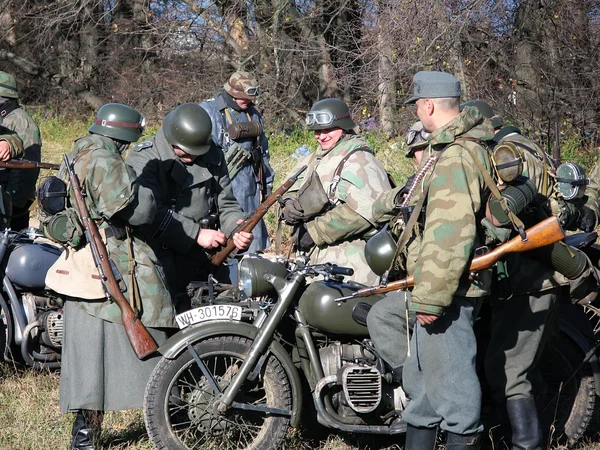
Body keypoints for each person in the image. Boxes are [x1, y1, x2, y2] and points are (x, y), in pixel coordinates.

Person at [463, 99, 599, 449]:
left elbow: (512, 216)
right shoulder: (520, 149)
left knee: (508, 372)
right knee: (502, 367)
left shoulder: (510, 154)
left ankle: (526, 443)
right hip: (521, 279)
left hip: (529, 280)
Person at [382, 71, 496, 449]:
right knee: (425, 395)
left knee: (456, 398)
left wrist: (430, 298)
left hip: (447, 292)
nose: (417, 111)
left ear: (428, 105)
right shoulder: (449, 150)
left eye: (416, 105)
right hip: (438, 286)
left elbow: (449, 233)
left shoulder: (455, 156)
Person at [56, 103, 173, 450]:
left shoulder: (79, 152)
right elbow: (136, 211)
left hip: (86, 268)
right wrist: (150, 194)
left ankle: (86, 436)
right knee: (154, 327)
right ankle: (171, 411)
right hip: (111, 266)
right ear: (124, 134)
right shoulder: (105, 159)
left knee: (90, 360)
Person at [127, 102, 253, 298]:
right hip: (158, 261)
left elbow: (226, 203)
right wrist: (196, 234)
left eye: (198, 151)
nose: (193, 156)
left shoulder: (213, 155)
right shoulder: (145, 159)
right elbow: (147, 213)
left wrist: (236, 229)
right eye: (187, 151)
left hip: (208, 260)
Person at [280, 98, 392, 286]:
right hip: (317, 263)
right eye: (317, 131)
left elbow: (367, 210)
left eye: (327, 130)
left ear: (344, 126)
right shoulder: (317, 157)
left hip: (350, 267)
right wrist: (289, 204)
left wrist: (315, 231)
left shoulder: (359, 159)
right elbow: (289, 187)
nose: (321, 136)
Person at [366, 121, 429, 380]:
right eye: (416, 151)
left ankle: (414, 389)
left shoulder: (446, 177)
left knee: (380, 316)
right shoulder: (417, 182)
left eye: (423, 148)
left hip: (434, 283)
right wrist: (403, 193)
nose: (419, 156)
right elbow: (377, 207)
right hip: (414, 278)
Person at [200, 71, 273, 254]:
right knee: (222, 248)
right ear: (231, 93)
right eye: (243, 98)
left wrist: (268, 183)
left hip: (249, 189)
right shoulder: (207, 111)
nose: (247, 102)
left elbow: (263, 151)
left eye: (250, 99)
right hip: (217, 189)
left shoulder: (253, 114)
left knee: (251, 245)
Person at [0, 71, 42, 230]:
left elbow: (28, 166)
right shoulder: (5, 118)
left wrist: (14, 203)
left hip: (14, 203)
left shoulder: (22, 122)